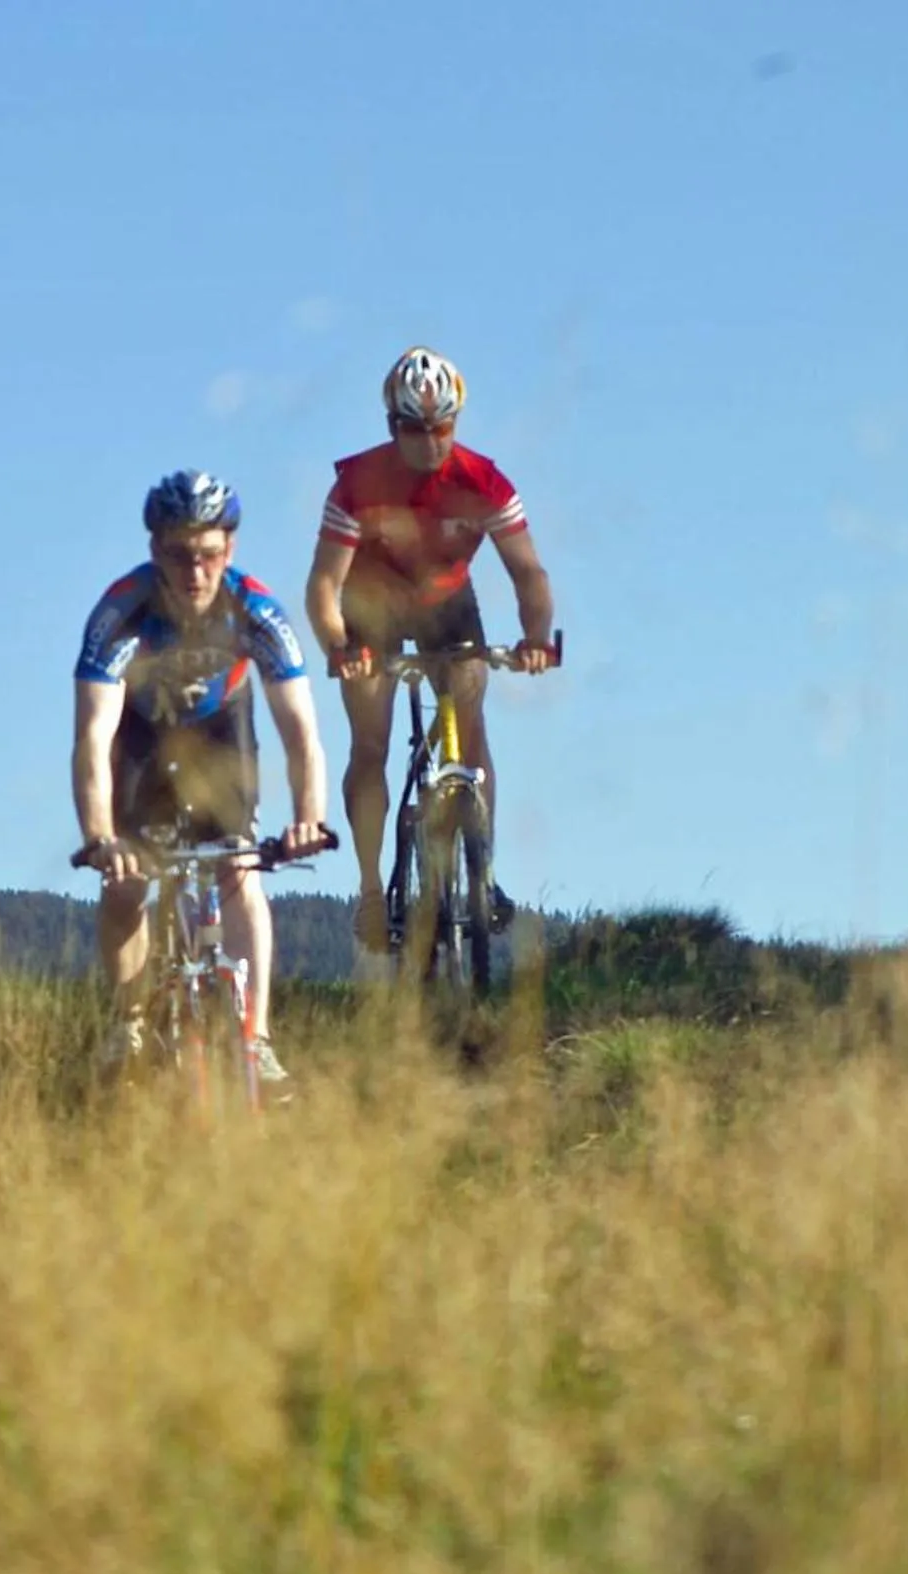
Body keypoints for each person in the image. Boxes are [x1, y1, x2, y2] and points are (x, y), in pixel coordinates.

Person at [72, 469, 334, 1085]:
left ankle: (256, 1042)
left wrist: (308, 820)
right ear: (154, 551)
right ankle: (127, 1027)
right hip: (140, 735)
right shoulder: (122, 611)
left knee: (239, 870)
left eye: (209, 556)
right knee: (126, 884)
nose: (195, 572)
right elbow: (90, 737)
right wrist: (102, 835)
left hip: (222, 729)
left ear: (230, 551)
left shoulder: (257, 610)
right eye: (179, 555)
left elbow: (301, 733)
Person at [302, 346, 558, 952]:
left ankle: (483, 872)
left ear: (456, 422)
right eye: (414, 430)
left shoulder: (484, 481)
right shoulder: (357, 484)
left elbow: (529, 575)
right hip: (372, 603)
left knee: (470, 725)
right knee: (371, 742)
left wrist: (536, 641)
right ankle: (370, 891)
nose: (429, 443)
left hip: (447, 602)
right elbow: (323, 585)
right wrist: (339, 646)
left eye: (441, 428)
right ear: (392, 426)